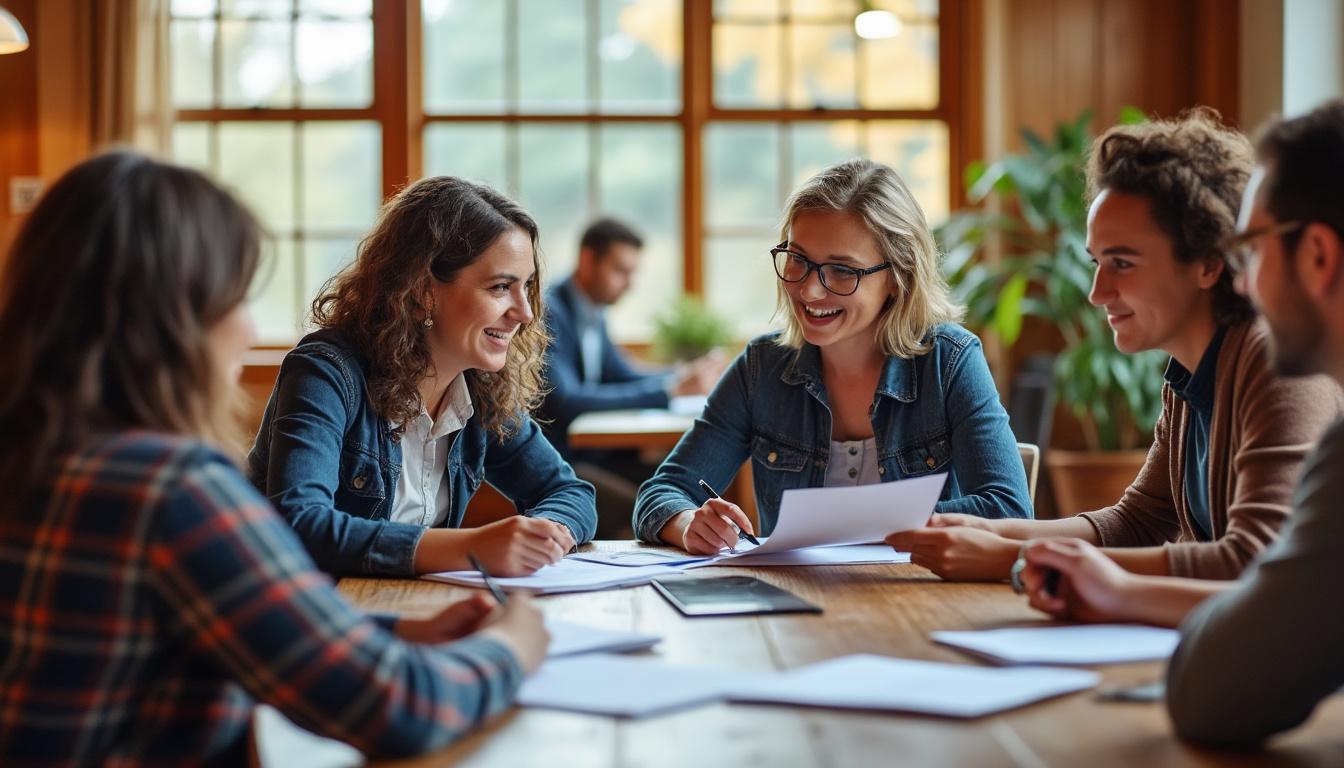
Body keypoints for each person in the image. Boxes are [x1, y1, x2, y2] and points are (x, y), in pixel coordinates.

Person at [0, 152, 548, 764]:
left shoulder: (43, 460)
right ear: (167, 320)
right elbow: (401, 708)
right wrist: (513, 645)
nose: (245, 327)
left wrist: (386, 630)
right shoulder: (171, 491)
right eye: (232, 297)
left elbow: (204, 628)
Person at [889, 109, 1342, 582]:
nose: (1097, 293)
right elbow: (1138, 521)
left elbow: (1251, 561)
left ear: (1209, 264)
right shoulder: (1190, 372)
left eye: (1122, 263)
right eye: (1097, 262)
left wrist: (1014, 558)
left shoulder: (1274, 361)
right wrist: (1000, 532)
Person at [1018, 100, 1344, 747]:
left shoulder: (1276, 371)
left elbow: (1211, 692)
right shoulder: (1189, 375)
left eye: (1248, 249)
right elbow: (1146, 520)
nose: (1242, 285)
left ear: (1316, 256)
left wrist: (1118, 589)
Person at [633, 159, 1032, 554]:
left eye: (842, 270)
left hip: (919, 600)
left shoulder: (949, 361)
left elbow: (1008, 510)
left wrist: (841, 525)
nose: (809, 291)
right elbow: (661, 493)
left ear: (898, 277)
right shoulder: (762, 368)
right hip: (796, 605)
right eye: (798, 259)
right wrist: (688, 524)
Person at [248, 176, 596, 577]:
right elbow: (300, 524)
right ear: (421, 292)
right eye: (501, 287)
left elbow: (569, 492)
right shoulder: (325, 372)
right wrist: (472, 547)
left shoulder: (480, 389)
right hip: (300, 622)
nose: (525, 312)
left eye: (527, 287)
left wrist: (544, 536)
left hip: (407, 612)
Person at [540, 218, 724, 536]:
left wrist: (681, 377)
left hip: (598, 455)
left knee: (681, 482)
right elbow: (566, 399)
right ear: (587, 261)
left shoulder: (592, 312)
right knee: (654, 508)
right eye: (620, 271)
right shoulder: (551, 313)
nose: (629, 283)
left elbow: (621, 374)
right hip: (565, 462)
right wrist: (669, 391)